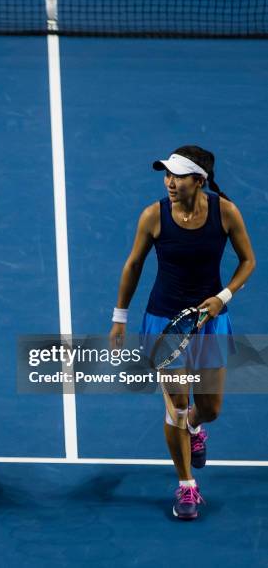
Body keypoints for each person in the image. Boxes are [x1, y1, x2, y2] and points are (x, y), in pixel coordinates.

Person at [109, 146, 255, 519]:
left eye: (178, 176)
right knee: (174, 406)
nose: (170, 182)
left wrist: (223, 297)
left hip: (210, 322)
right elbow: (134, 264)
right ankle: (186, 485)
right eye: (167, 175)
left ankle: (195, 424)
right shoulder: (152, 216)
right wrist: (119, 317)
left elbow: (248, 260)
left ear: (199, 181)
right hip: (164, 322)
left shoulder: (226, 213)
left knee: (210, 408)